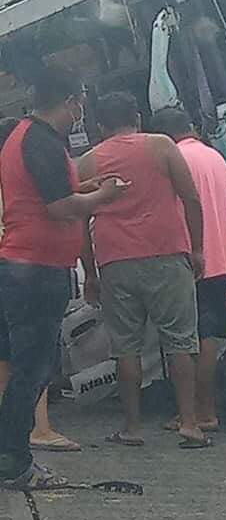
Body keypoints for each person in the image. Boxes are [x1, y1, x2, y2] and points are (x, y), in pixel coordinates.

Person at [0, 68, 126, 489]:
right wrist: (103, 197)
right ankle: (15, 463)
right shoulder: (43, 141)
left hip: (23, 267)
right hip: (36, 269)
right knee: (33, 370)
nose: (81, 110)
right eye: (80, 102)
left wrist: (85, 185)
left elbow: (48, 193)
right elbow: (59, 207)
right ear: (71, 101)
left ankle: (11, 456)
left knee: (24, 366)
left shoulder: (24, 135)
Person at [77, 91, 209, 449]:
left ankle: (132, 427)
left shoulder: (87, 162)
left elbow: (79, 222)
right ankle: (190, 423)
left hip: (115, 260)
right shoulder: (162, 146)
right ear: (137, 116)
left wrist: (90, 273)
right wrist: (197, 249)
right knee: (180, 340)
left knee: (126, 347)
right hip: (167, 253)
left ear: (100, 126)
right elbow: (192, 198)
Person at [151, 107, 226, 433]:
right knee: (210, 337)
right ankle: (208, 410)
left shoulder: (175, 159)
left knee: (185, 341)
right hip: (222, 258)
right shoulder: (216, 157)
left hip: (188, 259)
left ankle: (193, 412)